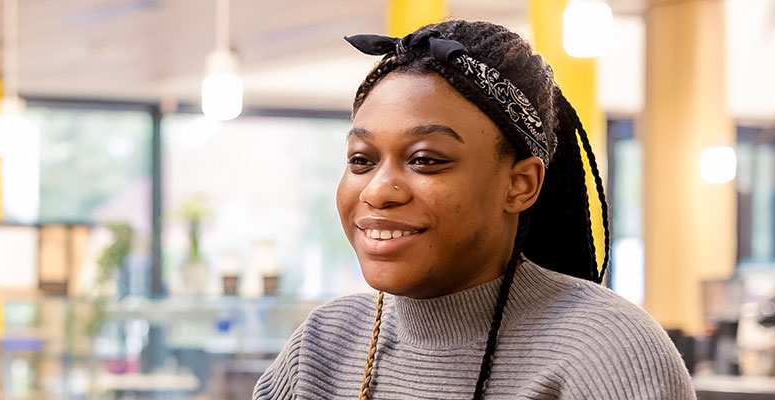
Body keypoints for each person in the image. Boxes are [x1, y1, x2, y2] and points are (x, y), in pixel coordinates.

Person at [253, 20, 695, 399]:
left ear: (520, 185)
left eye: (425, 160)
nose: (378, 191)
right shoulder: (322, 346)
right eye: (361, 160)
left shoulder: (606, 351)